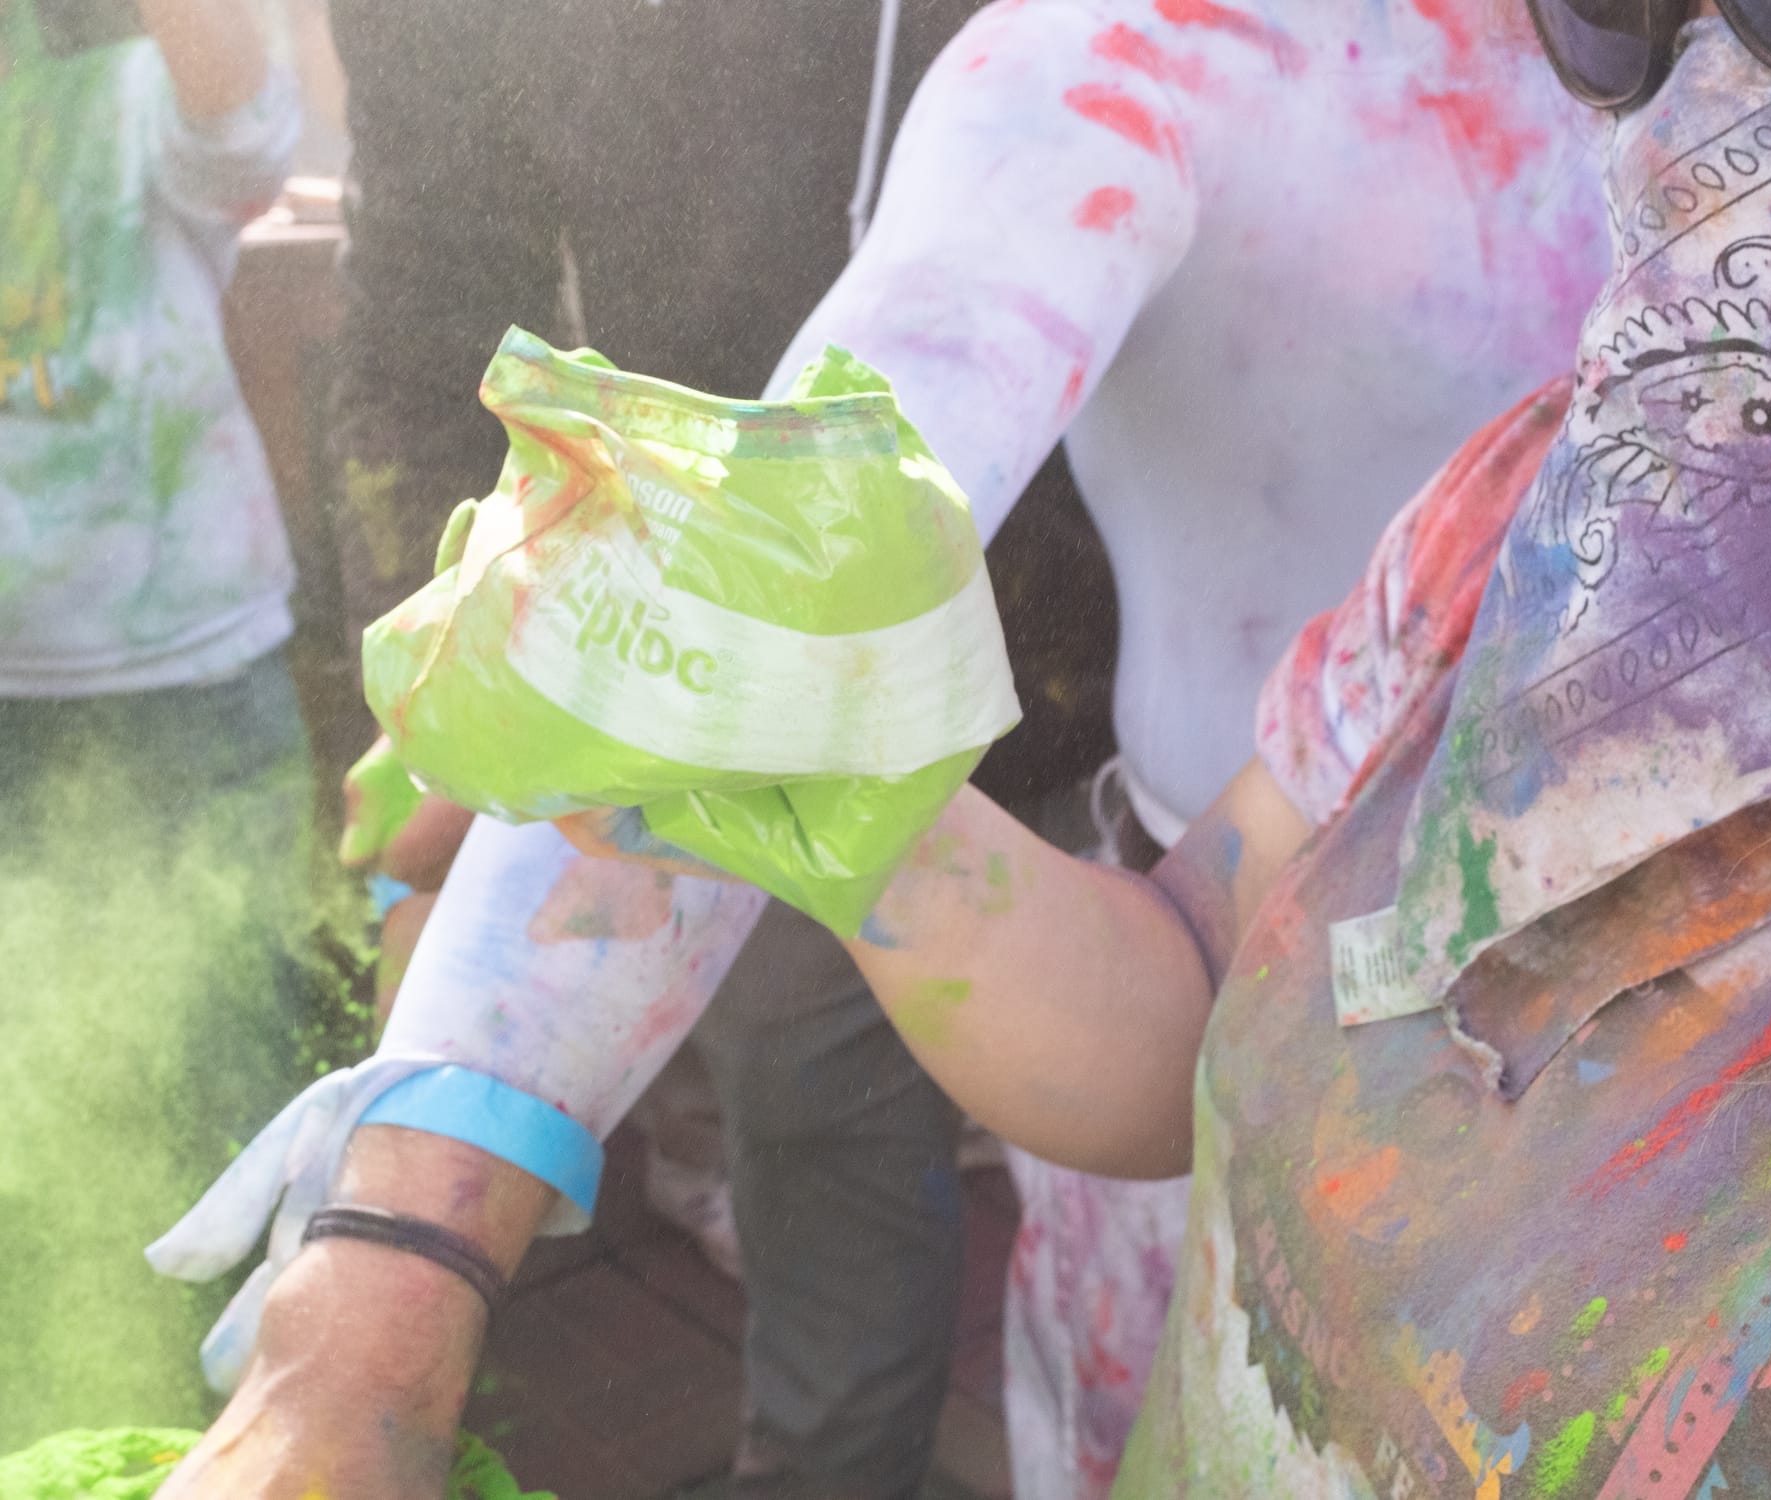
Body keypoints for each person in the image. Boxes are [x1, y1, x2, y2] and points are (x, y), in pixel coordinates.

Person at [151, 2, 1608, 1495]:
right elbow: (753, 594)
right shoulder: (1159, 52)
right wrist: (381, 1297)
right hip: (1207, 992)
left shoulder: (1740, 128)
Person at [321, 1, 1115, 1493]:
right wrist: (439, 675)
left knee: (1156, 1267)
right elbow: (421, 314)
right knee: (831, 1229)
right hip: (737, 748)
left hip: (1120, 704)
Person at [0, 0, 306, 1445]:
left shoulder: (135, 78)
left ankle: (241, 1439)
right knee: (34, 1123)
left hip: (189, 685)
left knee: (230, 1113)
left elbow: (243, 134)